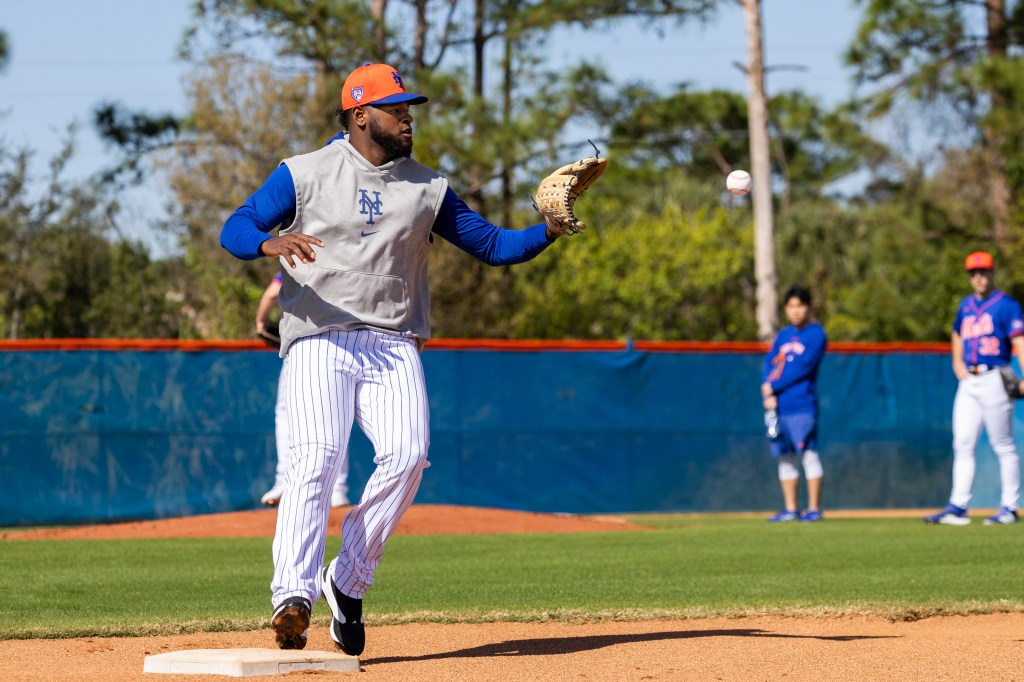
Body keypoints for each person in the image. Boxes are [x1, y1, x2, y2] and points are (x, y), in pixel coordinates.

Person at [219, 62, 578, 655]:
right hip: (318, 337)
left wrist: (547, 229)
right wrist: (267, 240)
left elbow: (491, 245)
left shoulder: (427, 187)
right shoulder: (304, 172)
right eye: (396, 108)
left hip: (392, 343)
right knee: (313, 462)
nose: (408, 118)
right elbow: (238, 224)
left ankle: (347, 578)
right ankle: (292, 597)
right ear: (360, 115)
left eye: (409, 109)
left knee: (409, 456)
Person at [924, 251, 1022, 526]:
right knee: (962, 443)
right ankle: (958, 505)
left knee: (1002, 444)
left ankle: (1009, 507)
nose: (979, 277)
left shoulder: (1006, 305)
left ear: (992, 273)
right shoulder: (965, 306)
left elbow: (1020, 341)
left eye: (983, 271)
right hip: (969, 380)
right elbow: (957, 332)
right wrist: (956, 361)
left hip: (995, 376)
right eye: (974, 273)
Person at [256, 272, 349, 509]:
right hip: (350, 343)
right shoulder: (349, 252)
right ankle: (337, 489)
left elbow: (271, 293)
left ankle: (285, 480)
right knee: (338, 414)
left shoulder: (303, 253)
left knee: (287, 411)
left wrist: (261, 321)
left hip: (306, 343)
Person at [761, 285, 828, 522]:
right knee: (785, 456)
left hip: (802, 405)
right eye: (791, 306)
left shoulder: (816, 334)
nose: (796, 310)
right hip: (779, 407)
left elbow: (802, 368)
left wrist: (773, 386)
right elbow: (770, 363)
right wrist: (767, 390)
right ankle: (791, 509)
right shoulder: (783, 335)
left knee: (808, 453)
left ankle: (814, 509)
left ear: (808, 307)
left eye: (800, 305)